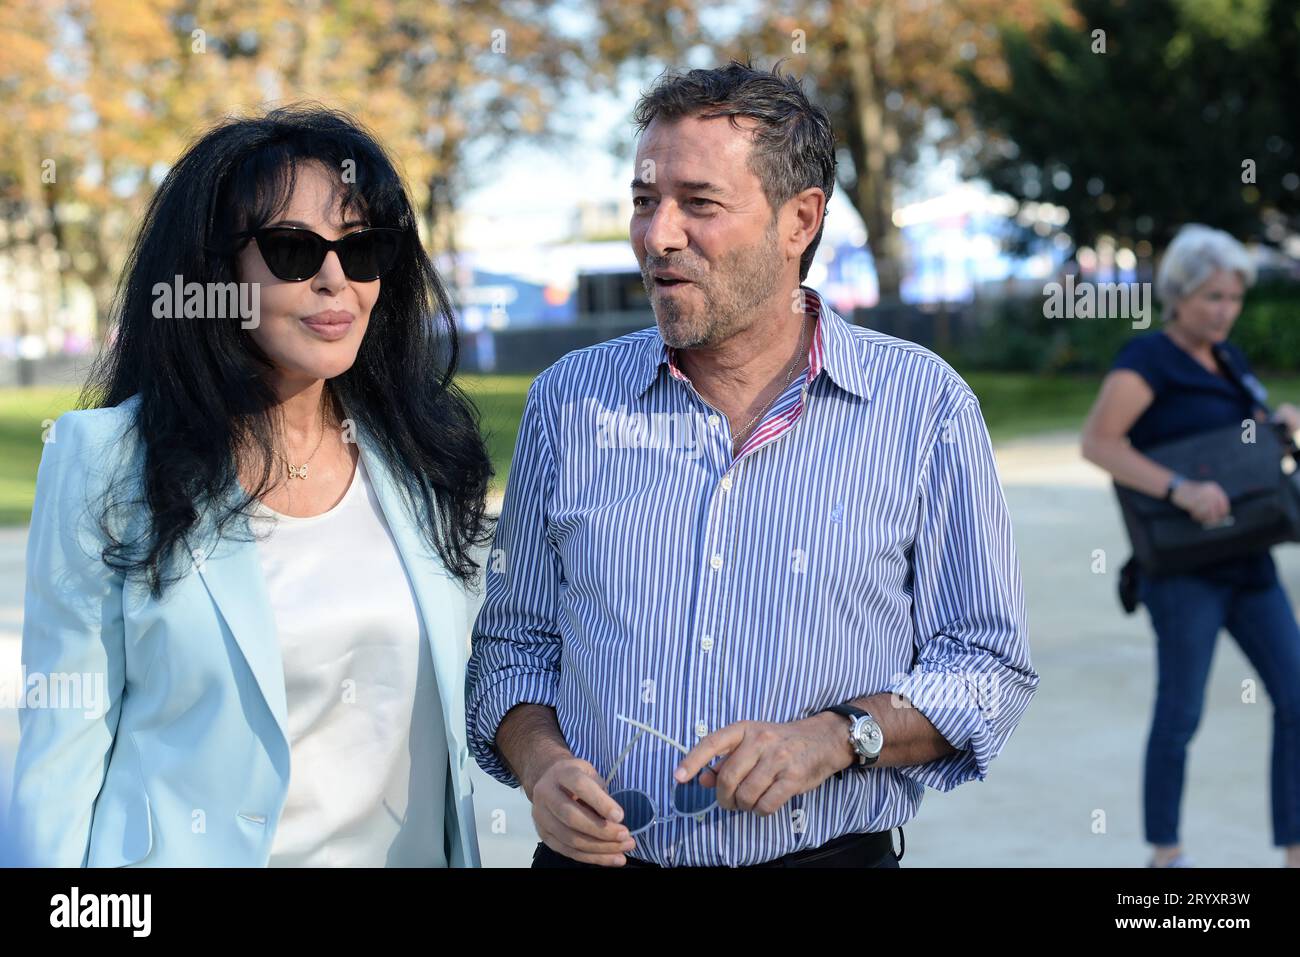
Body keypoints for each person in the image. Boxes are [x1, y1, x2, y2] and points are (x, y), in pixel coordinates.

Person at [466, 62, 1038, 868]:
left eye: (698, 203)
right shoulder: (569, 404)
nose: (657, 234)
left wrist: (841, 736)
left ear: (800, 219)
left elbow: (987, 666)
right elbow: (512, 647)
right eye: (643, 200)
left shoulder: (923, 407)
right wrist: (540, 764)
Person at [10, 105, 494, 867]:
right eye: (293, 249)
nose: (335, 279)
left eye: (361, 248)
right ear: (214, 272)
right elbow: (60, 755)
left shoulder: (422, 457)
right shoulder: (103, 461)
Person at [1081, 223, 1300, 868]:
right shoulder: (1148, 361)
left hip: (1246, 557)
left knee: (1296, 699)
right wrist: (1179, 488)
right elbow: (1100, 444)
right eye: (1212, 297)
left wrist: (1274, 425)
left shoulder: (1229, 361)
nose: (1225, 311)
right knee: (1181, 715)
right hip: (1184, 571)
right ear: (1178, 295)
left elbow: (1232, 443)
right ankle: (1167, 857)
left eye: (1233, 298)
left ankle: (1294, 851)